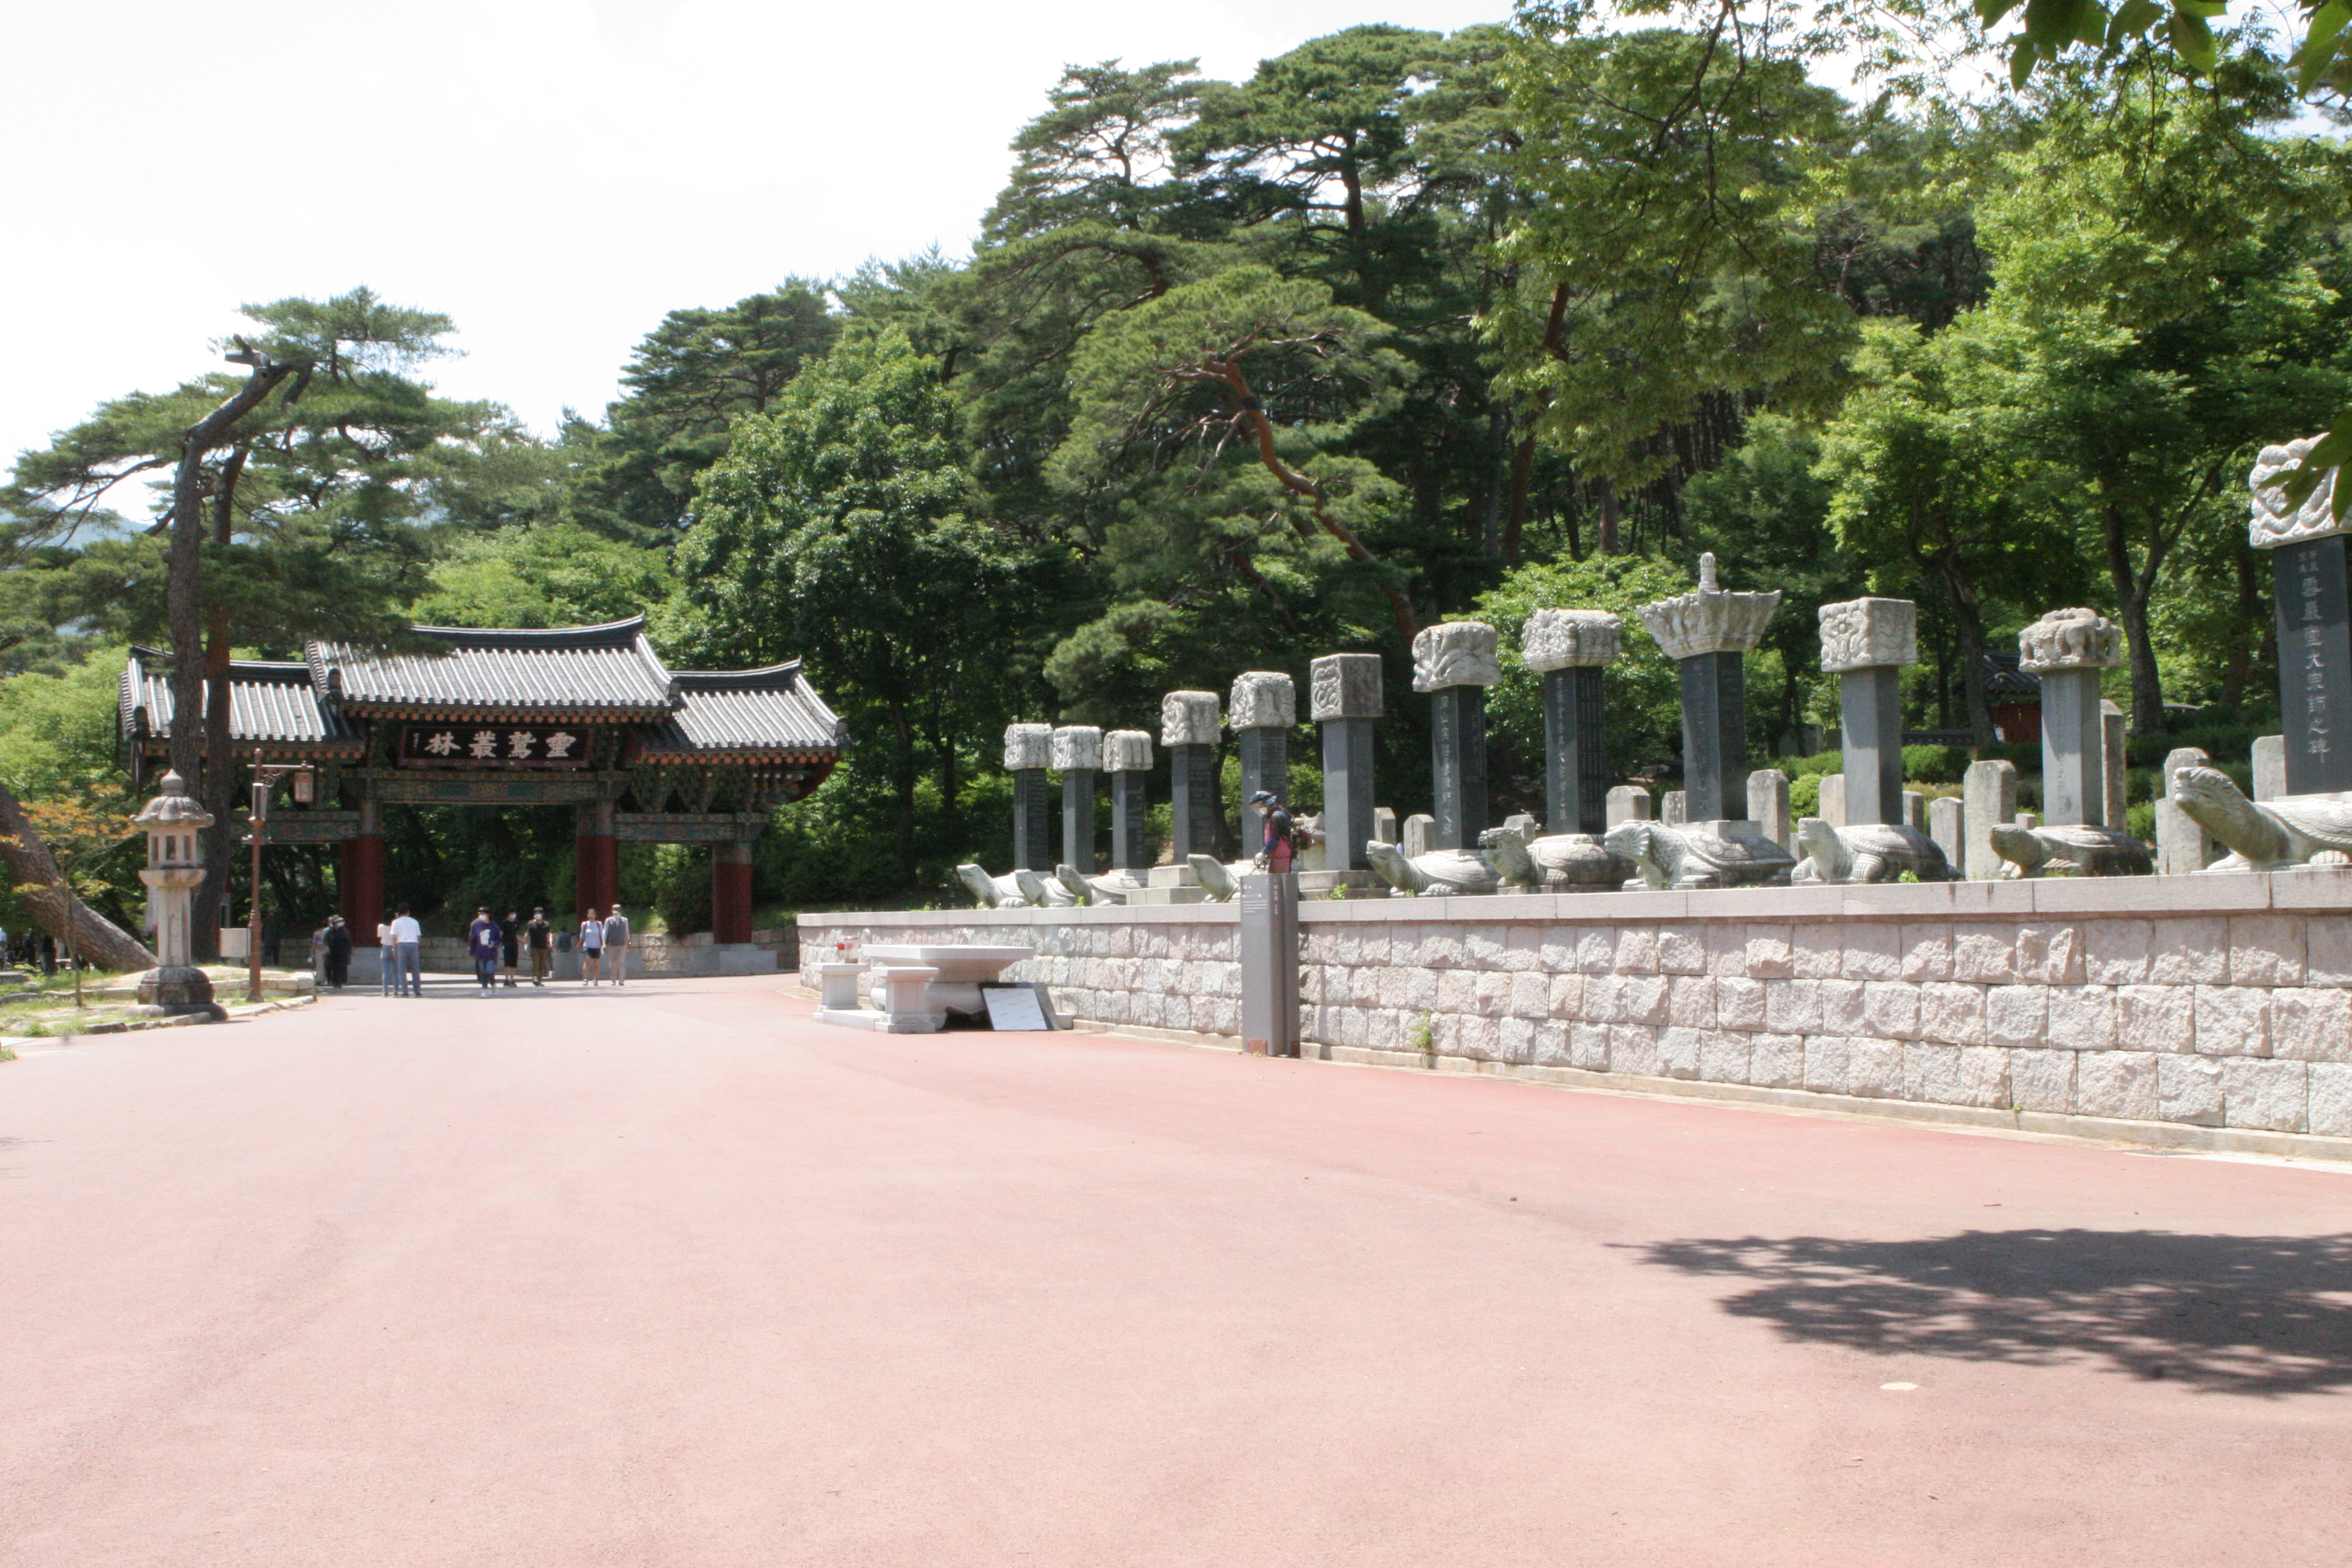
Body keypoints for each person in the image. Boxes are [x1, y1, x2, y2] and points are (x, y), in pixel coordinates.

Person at [1250, 790, 1295, 875]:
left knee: (1280, 880)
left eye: (1259, 806)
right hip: (1278, 854)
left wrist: (1265, 852)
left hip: (1281, 855)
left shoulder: (1275, 817)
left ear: (1266, 803)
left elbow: (1274, 837)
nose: (1259, 809)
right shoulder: (1277, 813)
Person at [388, 905, 423, 997]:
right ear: (408, 911)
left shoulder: (396, 922)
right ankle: (417, 991)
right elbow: (418, 936)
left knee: (402, 969)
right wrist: (416, 946)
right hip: (413, 944)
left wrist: (393, 949)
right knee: (415, 969)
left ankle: (405, 991)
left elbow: (394, 937)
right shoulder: (415, 922)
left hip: (402, 944)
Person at [467, 908, 501, 995]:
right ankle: (485, 990)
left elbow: (499, 938)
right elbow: (473, 940)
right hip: (480, 953)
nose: (481, 916)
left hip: (491, 953)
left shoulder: (494, 926)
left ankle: (493, 985)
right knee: (483, 972)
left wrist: (494, 944)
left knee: (489, 971)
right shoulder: (477, 926)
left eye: (483, 914)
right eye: (480, 914)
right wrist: (472, 951)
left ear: (488, 915)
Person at [603, 902, 631, 987]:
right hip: (612, 944)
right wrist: (604, 943)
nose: (616, 912)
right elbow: (605, 932)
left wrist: (629, 943)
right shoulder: (608, 920)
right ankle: (613, 980)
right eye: (614, 910)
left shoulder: (625, 920)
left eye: (618, 910)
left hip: (622, 944)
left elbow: (627, 932)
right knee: (613, 962)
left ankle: (621, 980)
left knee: (621, 962)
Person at [525, 907, 552, 986]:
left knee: (542, 964)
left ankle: (539, 980)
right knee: (536, 964)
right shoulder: (531, 924)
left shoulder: (546, 924)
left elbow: (549, 934)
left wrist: (550, 942)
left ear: (542, 914)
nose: (538, 915)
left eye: (539, 913)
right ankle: (535, 979)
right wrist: (526, 944)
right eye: (536, 913)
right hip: (534, 947)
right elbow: (527, 934)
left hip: (544, 946)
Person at [323, 916, 352, 990]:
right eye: (338, 922)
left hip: (343, 951)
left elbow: (349, 940)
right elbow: (325, 941)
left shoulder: (345, 931)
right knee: (333, 967)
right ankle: (333, 981)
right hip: (332, 951)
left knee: (341, 966)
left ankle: (340, 982)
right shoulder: (329, 931)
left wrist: (351, 948)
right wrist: (326, 949)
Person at [578, 907, 605, 986]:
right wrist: (579, 944)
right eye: (590, 914)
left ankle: (595, 979)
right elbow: (582, 935)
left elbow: (602, 934)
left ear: (595, 915)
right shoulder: (585, 924)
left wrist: (603, 944)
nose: (591, 916)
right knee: (587, 961)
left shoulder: (599, 924)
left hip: (597, 946)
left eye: (593, 914)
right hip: (587, 946)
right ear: (587, 915)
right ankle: (585, 979)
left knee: (596, 964)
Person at [500, 910, 521, 988]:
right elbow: (501, 933)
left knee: (514, 963)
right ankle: (507, 979)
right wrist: (500, 942)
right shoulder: (504, 923)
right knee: (507, 962)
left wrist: (521, 941)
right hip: (506, 944)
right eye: (512, 913)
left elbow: (516, 934)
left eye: (514, 913)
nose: (513, 915)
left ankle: (512, 979)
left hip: (514, 944)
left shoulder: (516, 923)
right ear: (508, 914)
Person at [377, 914, 395, 995]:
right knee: (396, 971)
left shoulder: (381, 926)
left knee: (385, 972)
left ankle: (385, 991)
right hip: (394, 948)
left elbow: (379, 936)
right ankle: (396, 990)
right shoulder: (395, 927)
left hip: (385, 948)